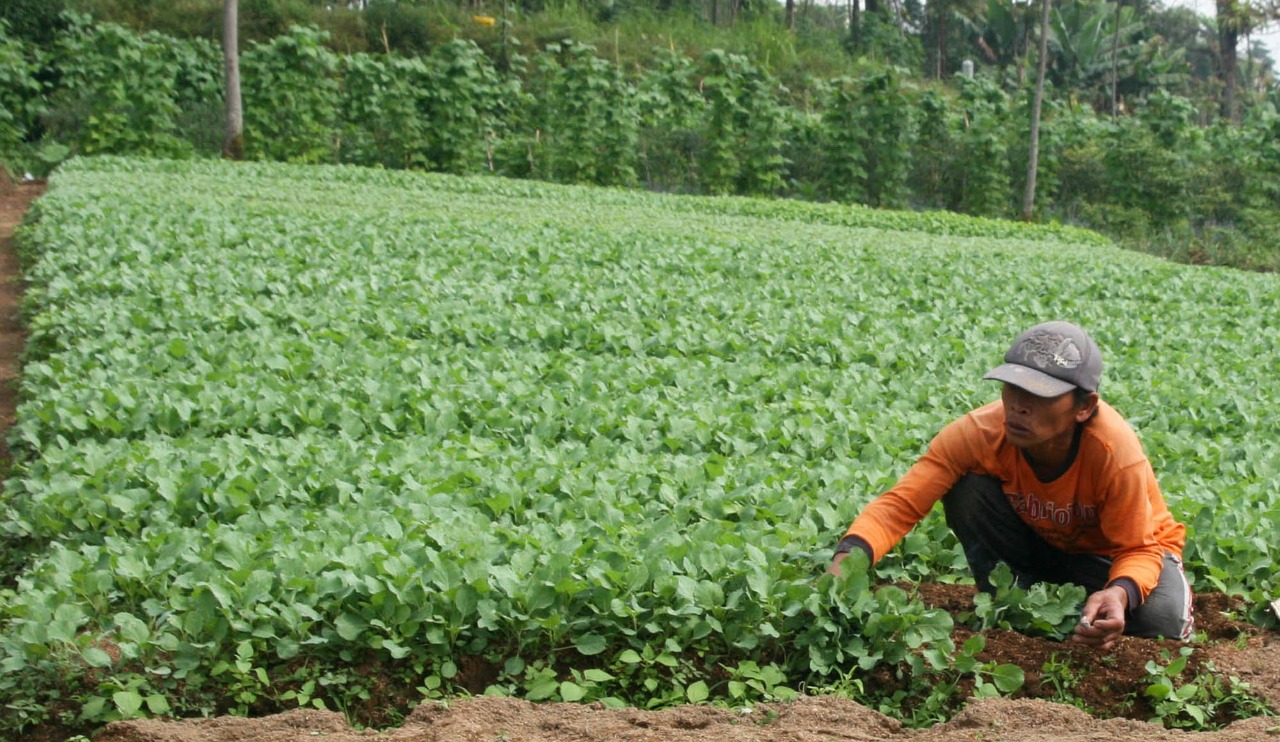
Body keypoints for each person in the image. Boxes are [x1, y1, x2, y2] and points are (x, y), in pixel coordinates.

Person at [828, 321, 1193, 649]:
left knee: (1162, 622)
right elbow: (900, 506)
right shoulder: (978, 433)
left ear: (1084, 407)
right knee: (967, 488)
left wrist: (1119, 592)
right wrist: (845, 562)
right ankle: (1011, 601)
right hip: (1041, 543)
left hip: (1115, 556)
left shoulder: (1114, 452)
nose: (1018, 406)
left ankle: (1098, 607)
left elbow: (1138, 549)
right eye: (1012, 387)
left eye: (1040, 394)